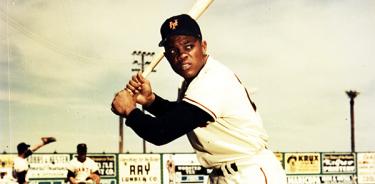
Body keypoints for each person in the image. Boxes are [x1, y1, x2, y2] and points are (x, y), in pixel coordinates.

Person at [111, 14, 287, 183]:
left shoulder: (212, 80)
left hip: (249, 174)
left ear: (203, 46)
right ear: (167, 57)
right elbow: (183, 117)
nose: (182, 55)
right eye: (173, 50)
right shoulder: (195, 81)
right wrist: (151, 101)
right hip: (227, 173)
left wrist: (130, 111)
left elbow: (161, 132)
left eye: (188, 46)